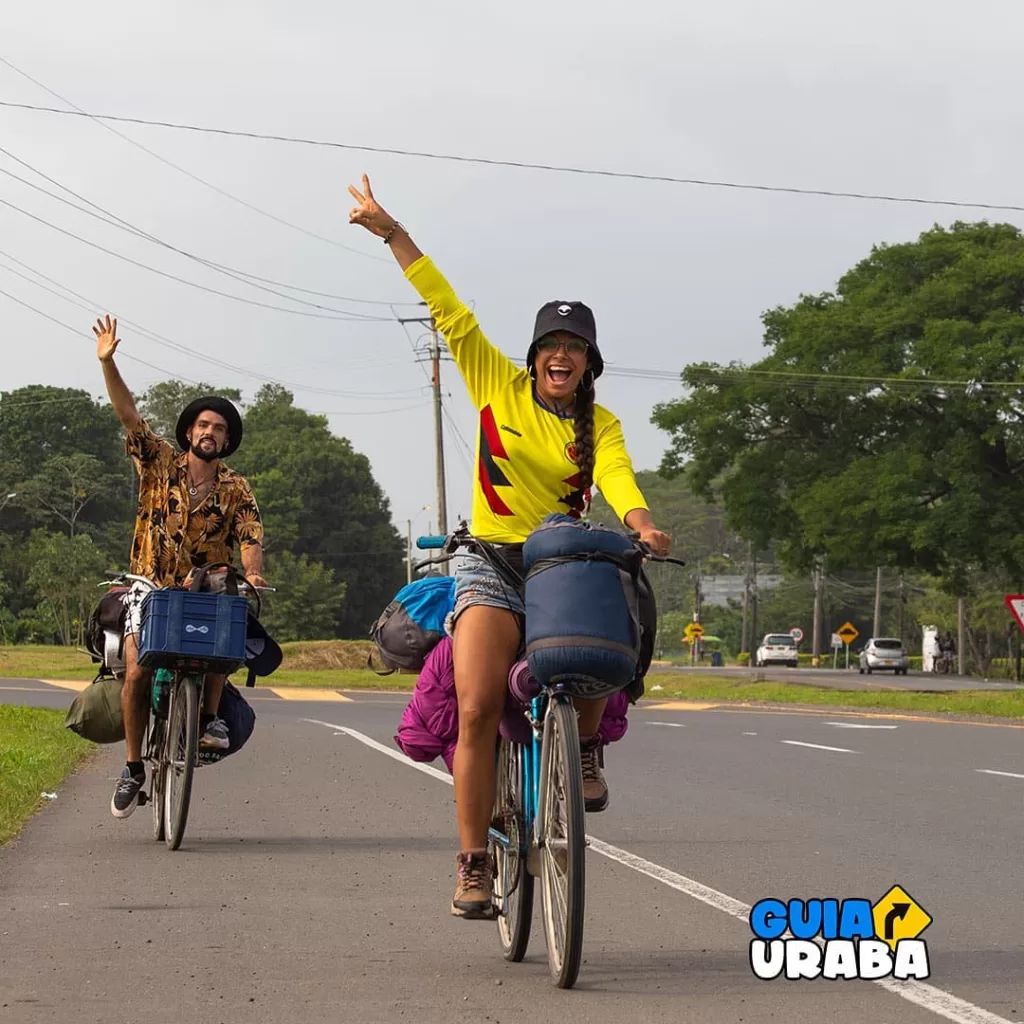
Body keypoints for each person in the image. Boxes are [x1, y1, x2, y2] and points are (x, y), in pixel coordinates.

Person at [348, 175, 672, 919]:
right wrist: (393, 232)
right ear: (533, 357)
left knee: (603, 651)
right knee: (477, 705)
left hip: (563, 565)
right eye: (551, 346)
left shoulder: (605, 426)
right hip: (491, 563)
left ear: (590, 362)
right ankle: (470, 864)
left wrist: (644, 524)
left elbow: (621, 481)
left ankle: (583, 747)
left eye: (576, 348)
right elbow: (447, 308)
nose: (562, 356)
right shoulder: (495, 383)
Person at [93, 315, 266, 820]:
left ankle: (210, 719)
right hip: (150, 585)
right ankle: (131, 769)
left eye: (220, 429)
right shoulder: (159, 463)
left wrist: (252, 574)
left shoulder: (236, 488)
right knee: (136, 672)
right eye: (204, 425)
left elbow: (251, 536)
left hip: (207, 587)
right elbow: (128, 415)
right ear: (189, 431)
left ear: (227, 441)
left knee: (227, 620)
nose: (210, 433)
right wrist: (108, 363)